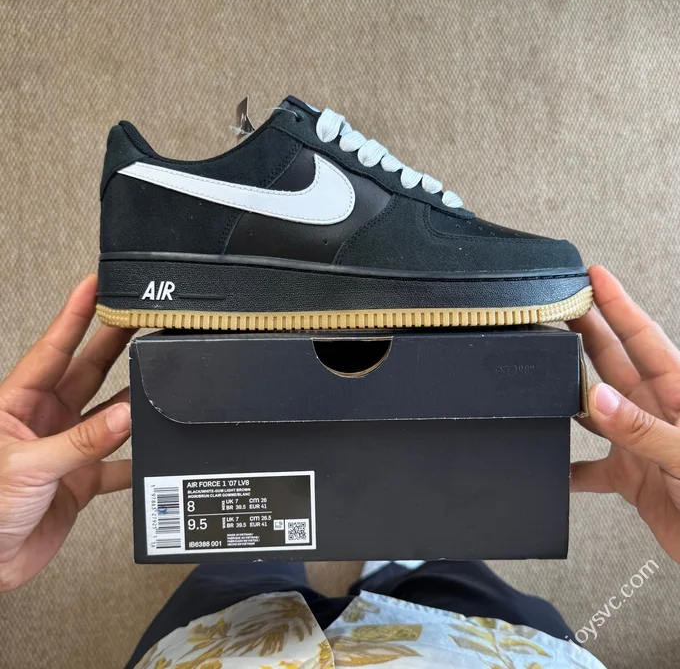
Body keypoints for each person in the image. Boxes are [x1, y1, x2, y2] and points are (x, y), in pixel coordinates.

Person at [0, 266, 678, 668]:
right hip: (484, 650)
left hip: (220, 651)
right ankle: (407, 537)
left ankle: (325, 528)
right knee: (448, 566)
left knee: (243, 566)